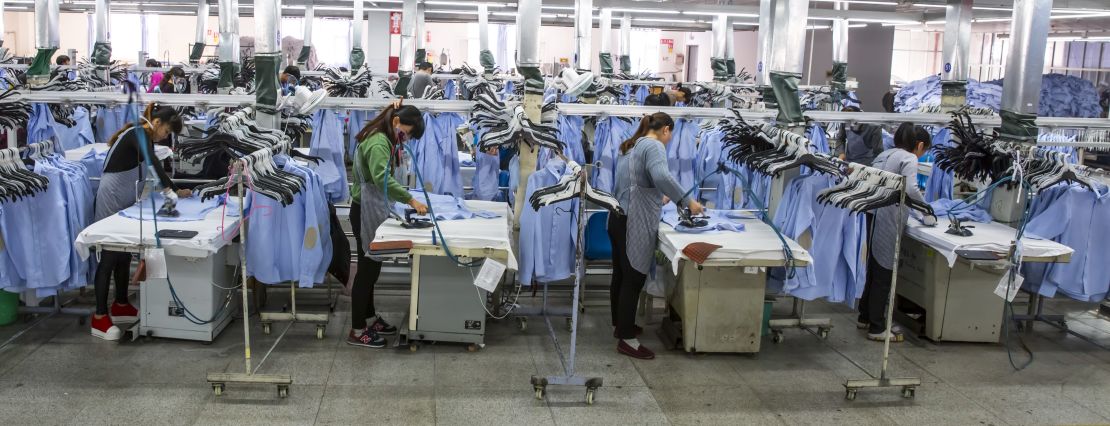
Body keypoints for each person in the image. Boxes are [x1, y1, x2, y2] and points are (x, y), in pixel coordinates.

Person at [90, 105, 191, 341]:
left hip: (124, 198)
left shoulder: (143, 135)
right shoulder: (138, 134)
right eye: (166, 132)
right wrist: (169, 189)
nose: (166, 136)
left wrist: (177, 189)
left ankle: (121, 304)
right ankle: (99, 317)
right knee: (109, 256)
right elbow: (153, 162)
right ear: (156, 123)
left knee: (124, 254)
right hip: (111, 198)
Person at [609, 112, 704, 359]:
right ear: (666, 130)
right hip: (633, 221)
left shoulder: (630, 146)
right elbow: (662, 176)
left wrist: (657, 195)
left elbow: (634, 184)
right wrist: (687, 200)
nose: (669, 139)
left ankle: (621, 326)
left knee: (621, 275)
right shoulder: (654, 146)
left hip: (617, 218)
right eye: (670, 134)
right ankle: (627, 340)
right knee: (634, 278)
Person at [348, 99, 428, 348]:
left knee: (372, 268)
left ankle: (369, 318)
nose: (405, 138)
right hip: (364, 210)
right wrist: (410, 200)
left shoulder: (385, 138)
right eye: (407, 132)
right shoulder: (379, 142)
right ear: (396, 122)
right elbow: (381, 178)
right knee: (367, 271)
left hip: (372, 207)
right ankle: (357, 329)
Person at [857, 122, 931, 342]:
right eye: (924, 150)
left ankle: (865, 316)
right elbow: (910, 189)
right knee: (884, 270)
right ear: (919, 145)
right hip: (888, 215)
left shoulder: (885, 154)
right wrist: (927, 210)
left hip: (872, 212)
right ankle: (878, 328)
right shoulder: (908, 158)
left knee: (874, 266)